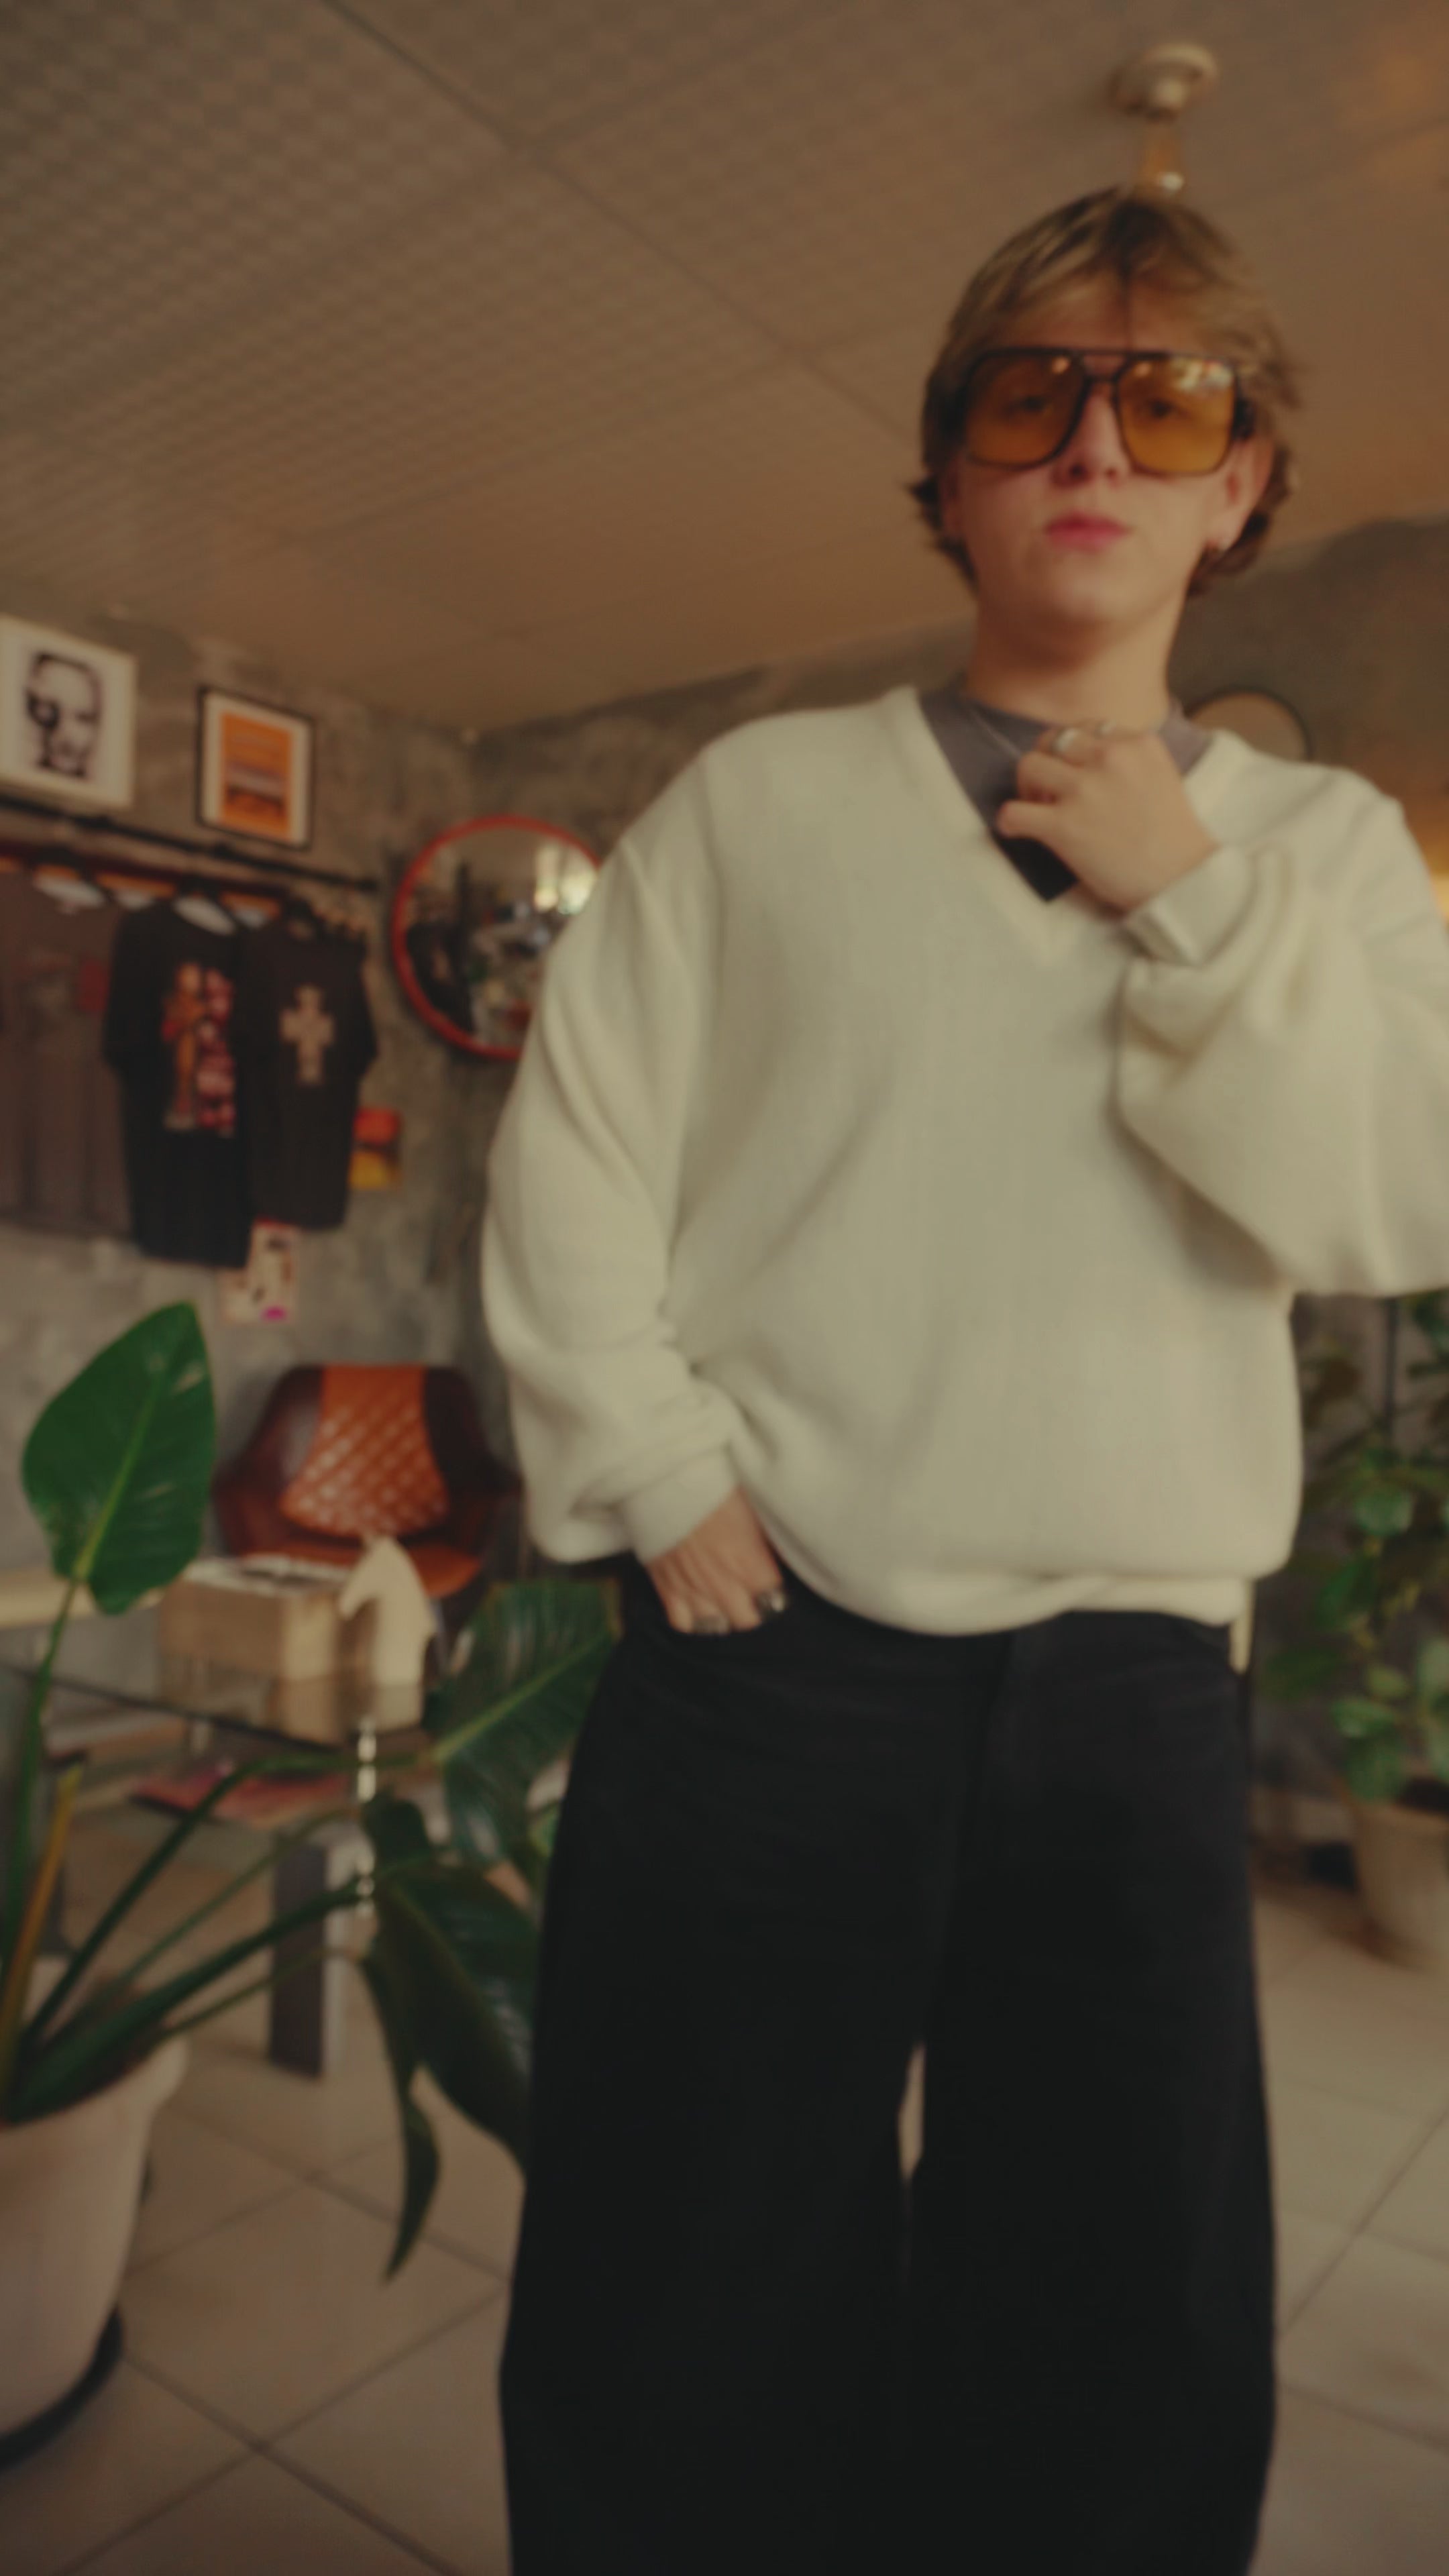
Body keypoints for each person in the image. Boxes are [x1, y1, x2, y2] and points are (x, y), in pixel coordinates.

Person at [480, 183, 1449, 2575]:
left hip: (1131, 1677)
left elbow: (1390, 1204)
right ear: (949, 468)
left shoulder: (1324, 853)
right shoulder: (759, 804)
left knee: (1113, 2315)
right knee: (681, 2270)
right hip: (764, 1646)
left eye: (1173, 401)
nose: (1098, 444)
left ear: (1242, 485)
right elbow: (579, 1154)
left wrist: (1184, 888)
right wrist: (651, 1468)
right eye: (1035, 395)